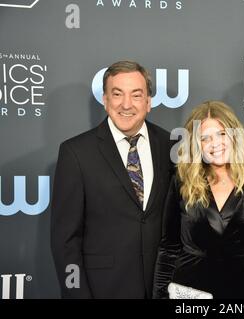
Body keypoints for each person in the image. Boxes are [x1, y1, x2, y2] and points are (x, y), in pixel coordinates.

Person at [51, 60, 173, 298]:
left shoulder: (171, 146)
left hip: (163, 289)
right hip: (103, 290)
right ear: (105, 100)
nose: (126, 104)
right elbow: (66, 241)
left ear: (148, 102)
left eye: (136, 95)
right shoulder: (76, 153)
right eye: (117, 94)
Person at [152, 101, 244, 299]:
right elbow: (168, 250)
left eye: (221, 134)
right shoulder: (182, 183)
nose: (215, 143)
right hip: (190, 295)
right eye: (205, 138)